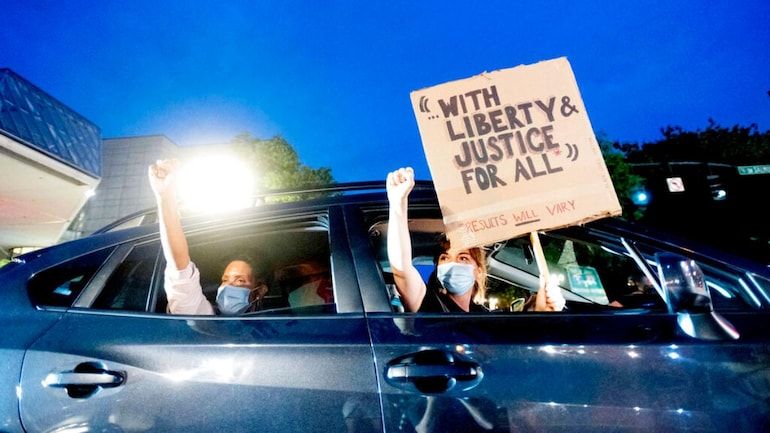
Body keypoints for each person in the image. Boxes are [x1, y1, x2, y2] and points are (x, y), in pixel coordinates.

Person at [386, 167, 564, 313]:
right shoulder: (432, 305)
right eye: (444, 258)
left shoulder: (482, 315)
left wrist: (541, 311)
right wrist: (397, 203)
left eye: (463, 257)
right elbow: (401, 269)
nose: (452, 263)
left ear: (479, 271)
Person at [148, 159, 268, 315]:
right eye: (225, 280)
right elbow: (180, 270)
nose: (228, 287)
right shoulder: (208, 320)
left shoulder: (280, 325)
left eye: (240, 281)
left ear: (260, 289)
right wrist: (165, 197)